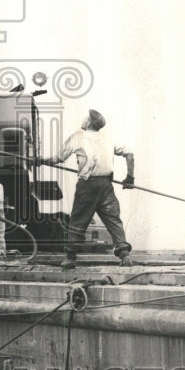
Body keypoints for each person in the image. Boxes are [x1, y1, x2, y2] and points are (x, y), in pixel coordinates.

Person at [40, 108, 135, 268]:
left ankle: (70, 258)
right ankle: (125, 256)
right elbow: (130, 154)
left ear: (89, 122)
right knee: (113, 219)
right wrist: (130, 178)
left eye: (85, 117)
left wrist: (40, 160)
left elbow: (58, 158)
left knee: (78, 219)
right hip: (106, 186)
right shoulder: (108, 137)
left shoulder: (78, 137)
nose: (83, 119)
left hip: (87, 186)